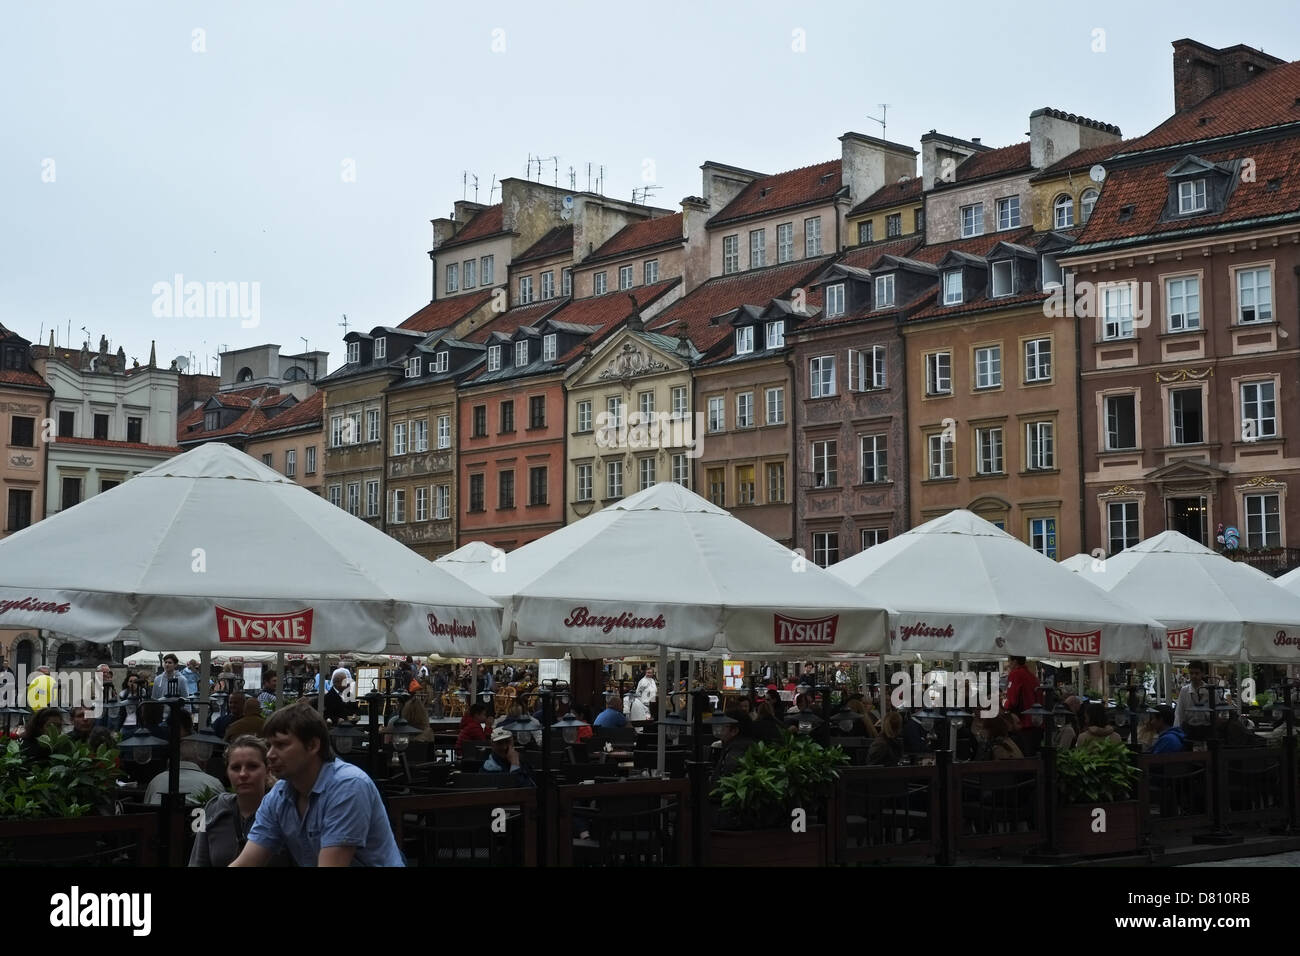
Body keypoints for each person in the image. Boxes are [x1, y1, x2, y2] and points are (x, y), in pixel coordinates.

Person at [230, 703, 404, 866]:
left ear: (312, 745)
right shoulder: (280, 795)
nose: (270, 754)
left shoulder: (348, 786)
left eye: (281, 745)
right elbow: (246, 862)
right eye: (269, 746)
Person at [189, 736, 289, 868]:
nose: (243, 774)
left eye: (252, 766)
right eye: (236, 768)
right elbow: (197, 861)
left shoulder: (285, 810)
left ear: (268, 770)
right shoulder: (213, 808)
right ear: (227, 772)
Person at [144, 709, 224, 806]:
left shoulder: (155, 782)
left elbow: (147, 808)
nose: (173, 732)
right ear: (202, 759)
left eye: (176, 728)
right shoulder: (214, 785)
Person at [1176, 661, 1209, 731]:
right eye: (1191, 673)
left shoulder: (1210, 690)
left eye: (1197, 673)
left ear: (1202, 674)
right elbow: (1179, 713)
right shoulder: (1184, 691)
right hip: (1188, 729)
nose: (1194, 676)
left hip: (1207, 729)